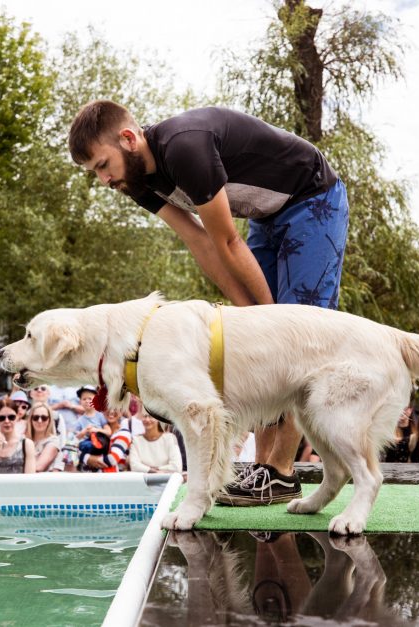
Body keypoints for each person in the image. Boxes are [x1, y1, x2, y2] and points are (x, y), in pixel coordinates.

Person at [68, 100, 350, 505]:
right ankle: (262, 469)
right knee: (263, 343)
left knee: (303, 337)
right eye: (94, 171)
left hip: (312, 198)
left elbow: (228, 241)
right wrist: (247, 314)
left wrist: (268, 318)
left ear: (128, 139)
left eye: (101, 164)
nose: (102, 179)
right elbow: (201, 241)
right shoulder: (135, 180)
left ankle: (281, 471)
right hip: (266, 217)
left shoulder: (184, 147)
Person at [0, 397, 36, 474]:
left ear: (17, 417)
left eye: (11, 417)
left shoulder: (27, 444)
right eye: (1, 418)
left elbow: (30, 479)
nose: (7, 421)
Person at [81, 407, 133, 472]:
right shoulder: (95, 429)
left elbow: (111, 460)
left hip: (114, 479)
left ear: (121, 412)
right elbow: (78, 449)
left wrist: (85, 458)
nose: (111, 411)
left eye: (115, 408)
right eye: (107, 407)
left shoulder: (123, 433)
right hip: (90, 477)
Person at [26, 402, 62, 472]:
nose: (40, 421)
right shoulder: (24, 439)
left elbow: (38, 467)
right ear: (30, 420)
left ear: (49, 420)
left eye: (44, 418)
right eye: (35, 417)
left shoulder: (53, 442)